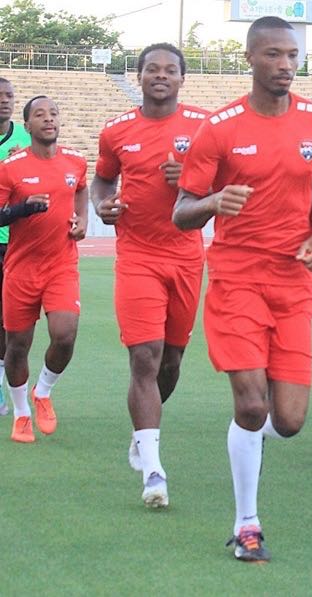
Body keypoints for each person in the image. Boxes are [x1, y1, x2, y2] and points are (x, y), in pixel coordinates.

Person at [173, 16, 312, 562]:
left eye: (292, 55)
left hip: (292, 282)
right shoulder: (220, 128)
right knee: (250, 406)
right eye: (273, 55)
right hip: (236, 279)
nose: (286, 65)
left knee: (287, 422)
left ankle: (250, 441)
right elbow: (182, 211)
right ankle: (247, 523)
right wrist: (211, 203)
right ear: (250, 58)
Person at [92, 43, 209, 509]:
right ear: (138, 76)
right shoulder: (116, 130)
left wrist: (196, 178)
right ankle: (154, 469)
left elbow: (231, 181)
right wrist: (105, 203)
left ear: (182, 78)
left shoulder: (204, 126)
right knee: (145, 355)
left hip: (185, 257)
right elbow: (103, 179)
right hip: (137, 254)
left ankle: (142, 434)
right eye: (152, 69)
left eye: (170, 70)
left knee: (171, 362)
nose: (161, 76)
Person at [0, 96, 88, 444]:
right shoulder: (10, 167)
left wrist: (80, 220)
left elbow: (80, 190)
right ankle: (21, 414)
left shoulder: (76, 162)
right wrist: (23, 209)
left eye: (53, 113)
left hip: (61, 265)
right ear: (28, 126)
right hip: (21, 268)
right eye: (40, 115)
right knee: (17, 347)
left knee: (64, 335)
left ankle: (44, 391)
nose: (49, 119)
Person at [0, 77, 31, 416]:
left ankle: (1, 387)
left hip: (15, 244)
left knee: (8, 322)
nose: (5, 101)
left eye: (9, 96)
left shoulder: (25, 141)